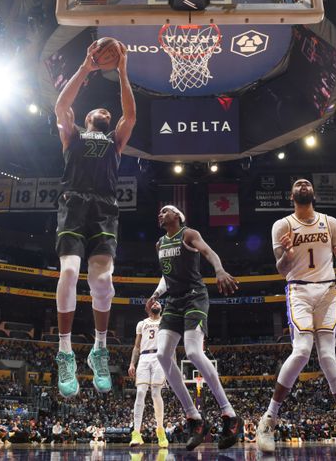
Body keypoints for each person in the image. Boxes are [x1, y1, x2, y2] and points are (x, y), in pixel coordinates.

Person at [52, 40, 136, 397]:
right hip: (73, 204)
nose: (103, 111)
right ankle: (65, 351)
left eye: (106, 110)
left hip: (104, 208)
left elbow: (130, 116)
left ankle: (99, 348)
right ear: (88, 119)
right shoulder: (72, 134)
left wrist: (122, 70)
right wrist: (86, 68)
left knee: (102, 280)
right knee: (70, 272)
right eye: (97, 109)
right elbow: (61, 106)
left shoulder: (115, 139)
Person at [256, 179, 336, 454]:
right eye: (297, 184)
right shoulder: (282, 225)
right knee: (302, 351)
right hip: (299, 291)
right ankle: (269, 420)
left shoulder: (331, 222)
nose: (303, 184)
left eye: (307, 182)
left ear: (313, 193)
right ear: (291, 195)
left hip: (327, 289)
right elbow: (281, 268)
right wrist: (288, 253)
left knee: (328, 356)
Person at [147, 205, 240, 451]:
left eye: (165, 211)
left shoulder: (188, 234)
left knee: (193, 352)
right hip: (174, 300)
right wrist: (156, 294)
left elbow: (209, 252)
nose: (161, 214)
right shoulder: (159, 245)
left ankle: (229, 414)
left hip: (195, 296)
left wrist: (219, 270)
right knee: (162, 354)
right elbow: (167, 276)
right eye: (160, 212)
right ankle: (194, 419)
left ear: (178, 216)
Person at [128, 301, 168, 447]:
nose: (156, 303)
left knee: (156, 394)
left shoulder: (166, 321)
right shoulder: (142, 323)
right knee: (140, 393)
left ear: (161, 308)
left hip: (160, 357)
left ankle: (160, 430)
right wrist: (132, 363)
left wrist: (172, 366)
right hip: (144, 358)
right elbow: (136, 346)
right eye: (154, 302)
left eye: (159, 303)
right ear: (148, 307)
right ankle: (136, 433)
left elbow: (172, 344)